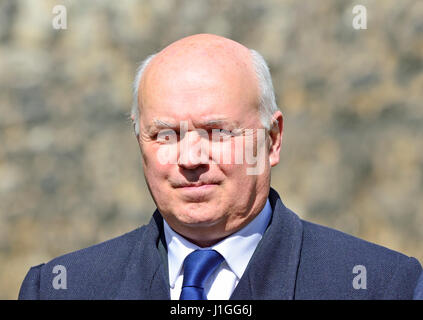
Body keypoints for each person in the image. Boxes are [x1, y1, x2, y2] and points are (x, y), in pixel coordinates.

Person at [19, 34, 422, 300]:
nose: (191, 159)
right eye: (165, 134)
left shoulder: (381, 286)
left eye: (216, 132)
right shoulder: (61, 289)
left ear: (272, 139)